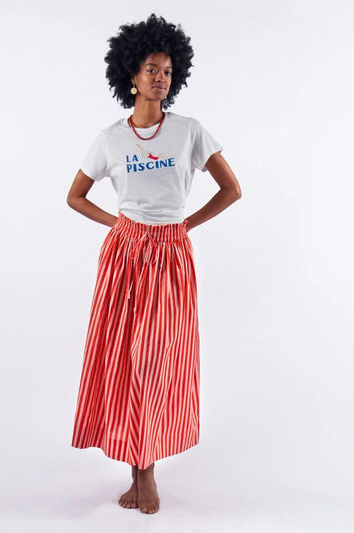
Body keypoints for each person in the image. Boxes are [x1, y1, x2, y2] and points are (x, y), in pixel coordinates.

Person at [68, 14, 241, 514]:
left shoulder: (189, 132)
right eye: (151, 69)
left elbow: (231, 189)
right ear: (131, 75)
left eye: (167, 70)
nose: (160, 77)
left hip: (169, 257)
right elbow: (76, 196)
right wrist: (118, 224)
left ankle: (147, 469)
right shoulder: (110, 139)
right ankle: (137, 468)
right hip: (124, 257)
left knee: (158, 360)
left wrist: (185, 226)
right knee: (125, 359)